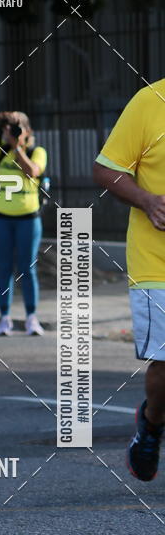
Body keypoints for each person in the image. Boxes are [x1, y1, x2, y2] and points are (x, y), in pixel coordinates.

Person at [93, 82, 165, 482]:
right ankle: (152, 422)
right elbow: (106, 169)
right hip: (158, 262)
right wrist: (147, 199)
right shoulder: (150, 101)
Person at [0, 110, 48, 336]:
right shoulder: (0, 149)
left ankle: (31, 319)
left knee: (28, 269)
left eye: (15, 128)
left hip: (28, 219)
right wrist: (1, 117)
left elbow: (32, 171)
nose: (9, 132)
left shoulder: (37, 152)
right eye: (7, 129)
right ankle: (4, 318)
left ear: (28, 132)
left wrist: (18, 147)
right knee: (4, 267)